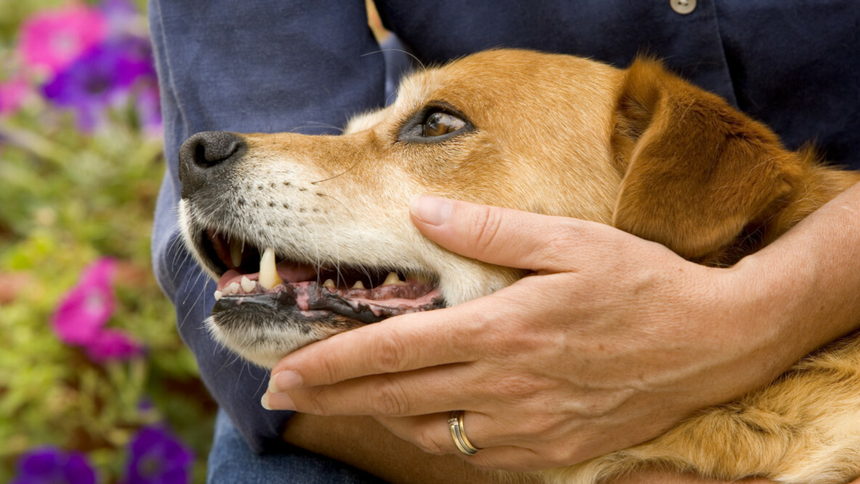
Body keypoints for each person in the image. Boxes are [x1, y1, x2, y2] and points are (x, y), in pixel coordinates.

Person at [148, 1, 860, 482]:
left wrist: (757, 311)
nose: (210, 158)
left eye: (436, 126)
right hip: (414, 425)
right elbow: (244, 79)